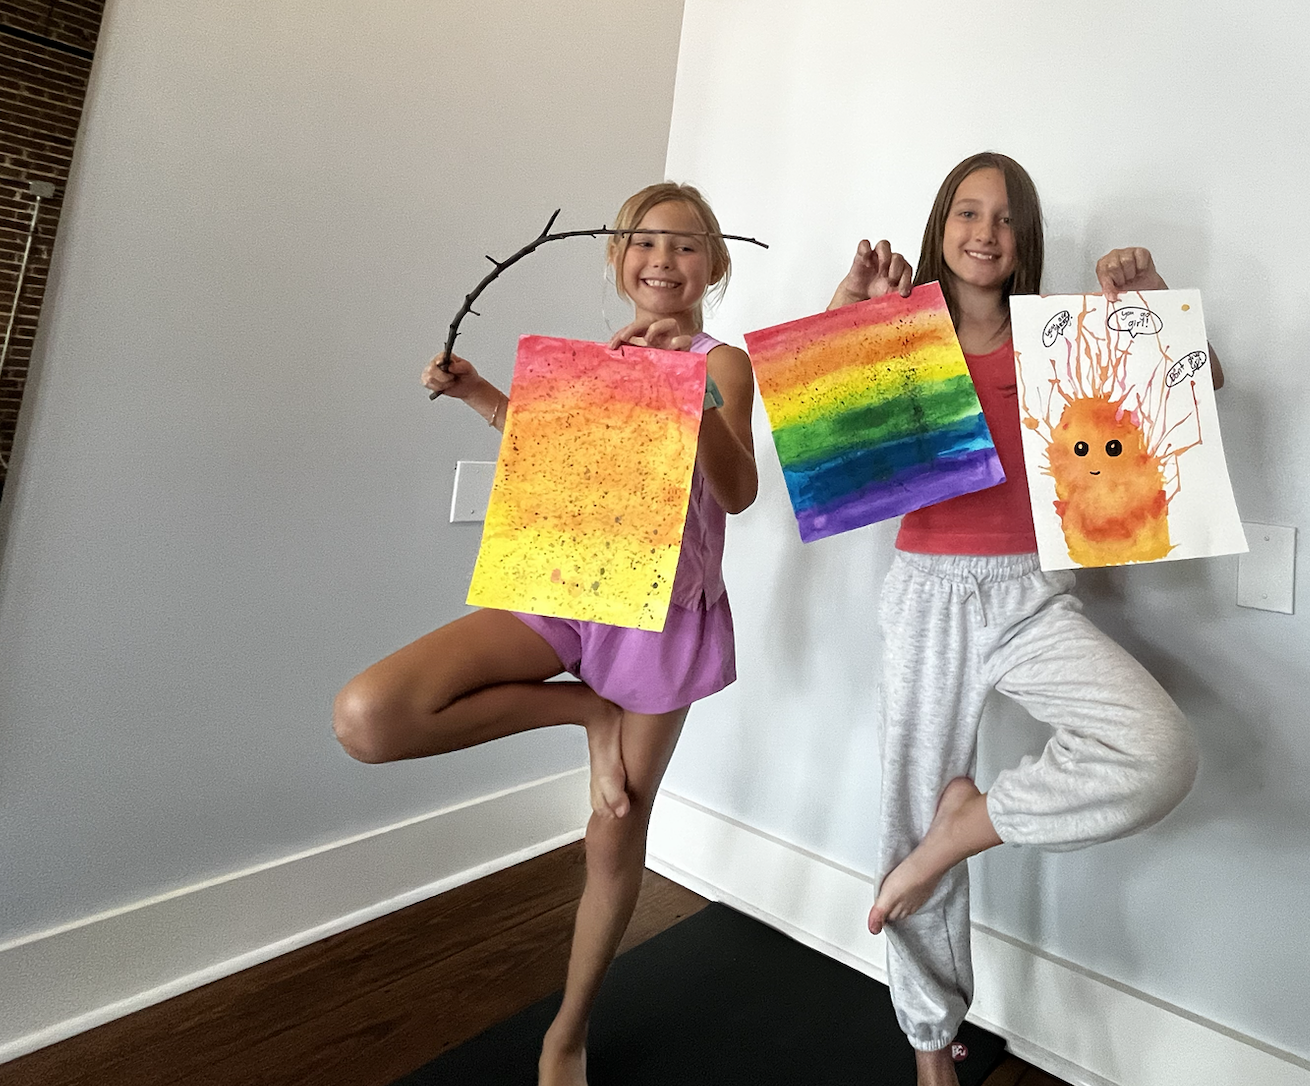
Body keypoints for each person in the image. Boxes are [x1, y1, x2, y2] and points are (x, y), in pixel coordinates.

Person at [333, 182, 757, 1086]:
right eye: (644, 242)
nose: (663, 260)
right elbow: (556, 453)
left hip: (658, 616)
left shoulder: (723, 363)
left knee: (612, 832)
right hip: (566, 584)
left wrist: (691, 393)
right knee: (370, 717)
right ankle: (587, 713)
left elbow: (738, 491)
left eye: (686, 245)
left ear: (714, 265)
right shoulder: (600, 358)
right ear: (617, 258)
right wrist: (477, 392)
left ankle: (568, 1030)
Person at [829, 152, 1209, 1086]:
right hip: (926, 592)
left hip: (1028, 594)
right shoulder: (906, 332)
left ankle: (966, 825)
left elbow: (1192, 395)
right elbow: (826, 426)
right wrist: (852, 311)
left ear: (1025, 238)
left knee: (1157, 750)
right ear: (942, 226)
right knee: (904, 816)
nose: (985, 231)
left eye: (1005, 217)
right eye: (968, 211)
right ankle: (932, 1052)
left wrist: (1150, 304)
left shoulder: (1057, 336)